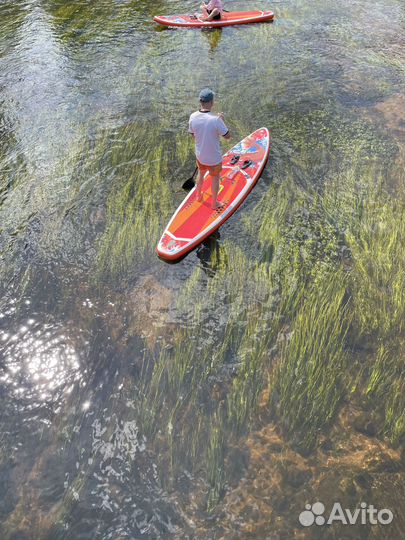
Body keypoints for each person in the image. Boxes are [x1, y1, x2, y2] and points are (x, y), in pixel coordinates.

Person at [188, 88, 231, 209]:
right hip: (213, 159)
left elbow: (193, 134)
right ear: (211, 102)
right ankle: (214, 204)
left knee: (201, 175)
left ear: (200, 102)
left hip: (200, 156)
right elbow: (228, 137)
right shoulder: (216, 120)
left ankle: (198, 196)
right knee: (215, 179)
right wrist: (222, 121)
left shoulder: (192, 116)